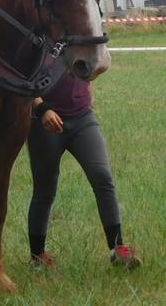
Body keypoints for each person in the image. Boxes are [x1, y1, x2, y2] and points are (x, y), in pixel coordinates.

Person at [27, 72, 141, 270]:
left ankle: (117, 249)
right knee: (44, 190)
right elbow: (22, 78)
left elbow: (94, 64)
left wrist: (87, 90)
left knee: (102, 177)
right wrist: (42, 108)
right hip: (45, 122)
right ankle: (38, 256)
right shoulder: (38, 40)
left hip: (82, 118)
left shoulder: (80, 39)